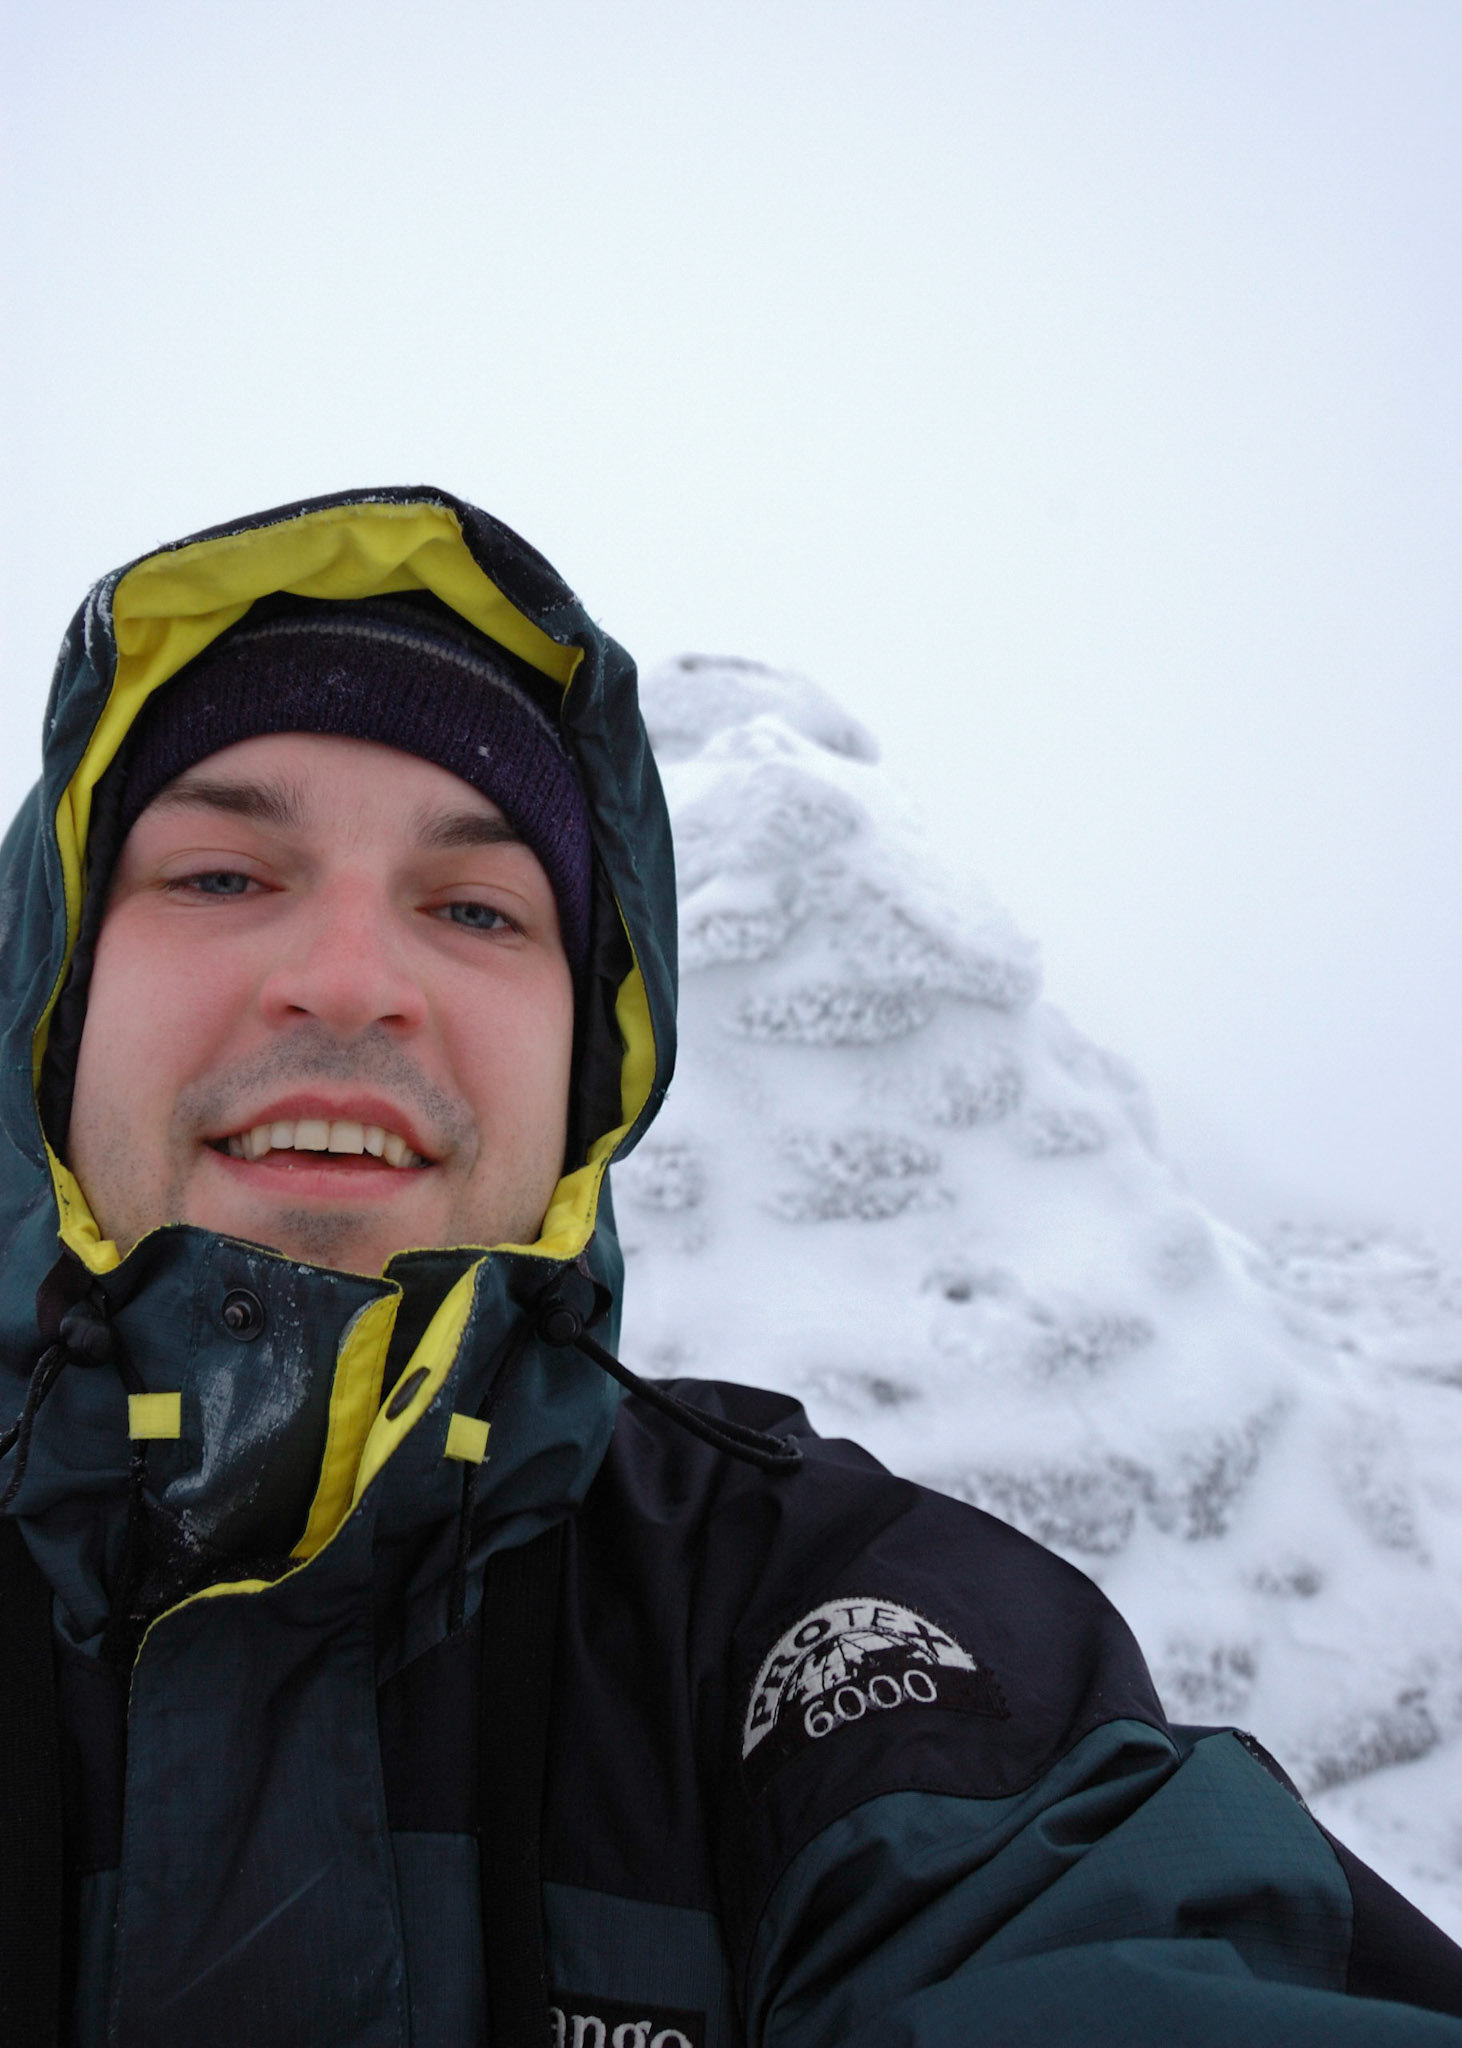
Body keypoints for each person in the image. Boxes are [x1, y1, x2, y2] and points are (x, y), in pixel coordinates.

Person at [0, 485, 1457, 2048]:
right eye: (221, 876)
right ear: (55, 1001)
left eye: (476, 907)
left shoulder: (814, 1624)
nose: (349, 980)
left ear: (589, 1076)